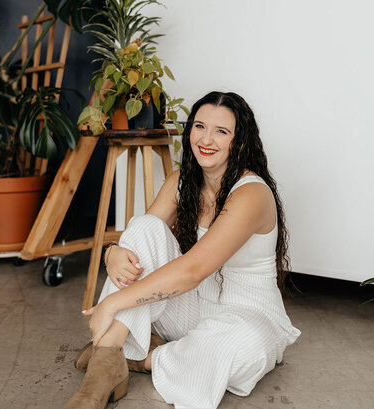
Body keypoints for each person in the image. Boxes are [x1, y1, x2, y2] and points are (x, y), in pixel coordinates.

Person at [64, 91, 301, 409]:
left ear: (240, 141)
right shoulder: (181, 181)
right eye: (200, 126)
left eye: (221, 131)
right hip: (191, 307)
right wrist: (113, 251)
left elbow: (193, 269)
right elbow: (142, 236)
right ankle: (104, 368)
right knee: (146, 225)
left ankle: (137, 357)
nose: (207, 139)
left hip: (247, 316)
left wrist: (111, 304)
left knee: (228, 354)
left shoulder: (252, 193)